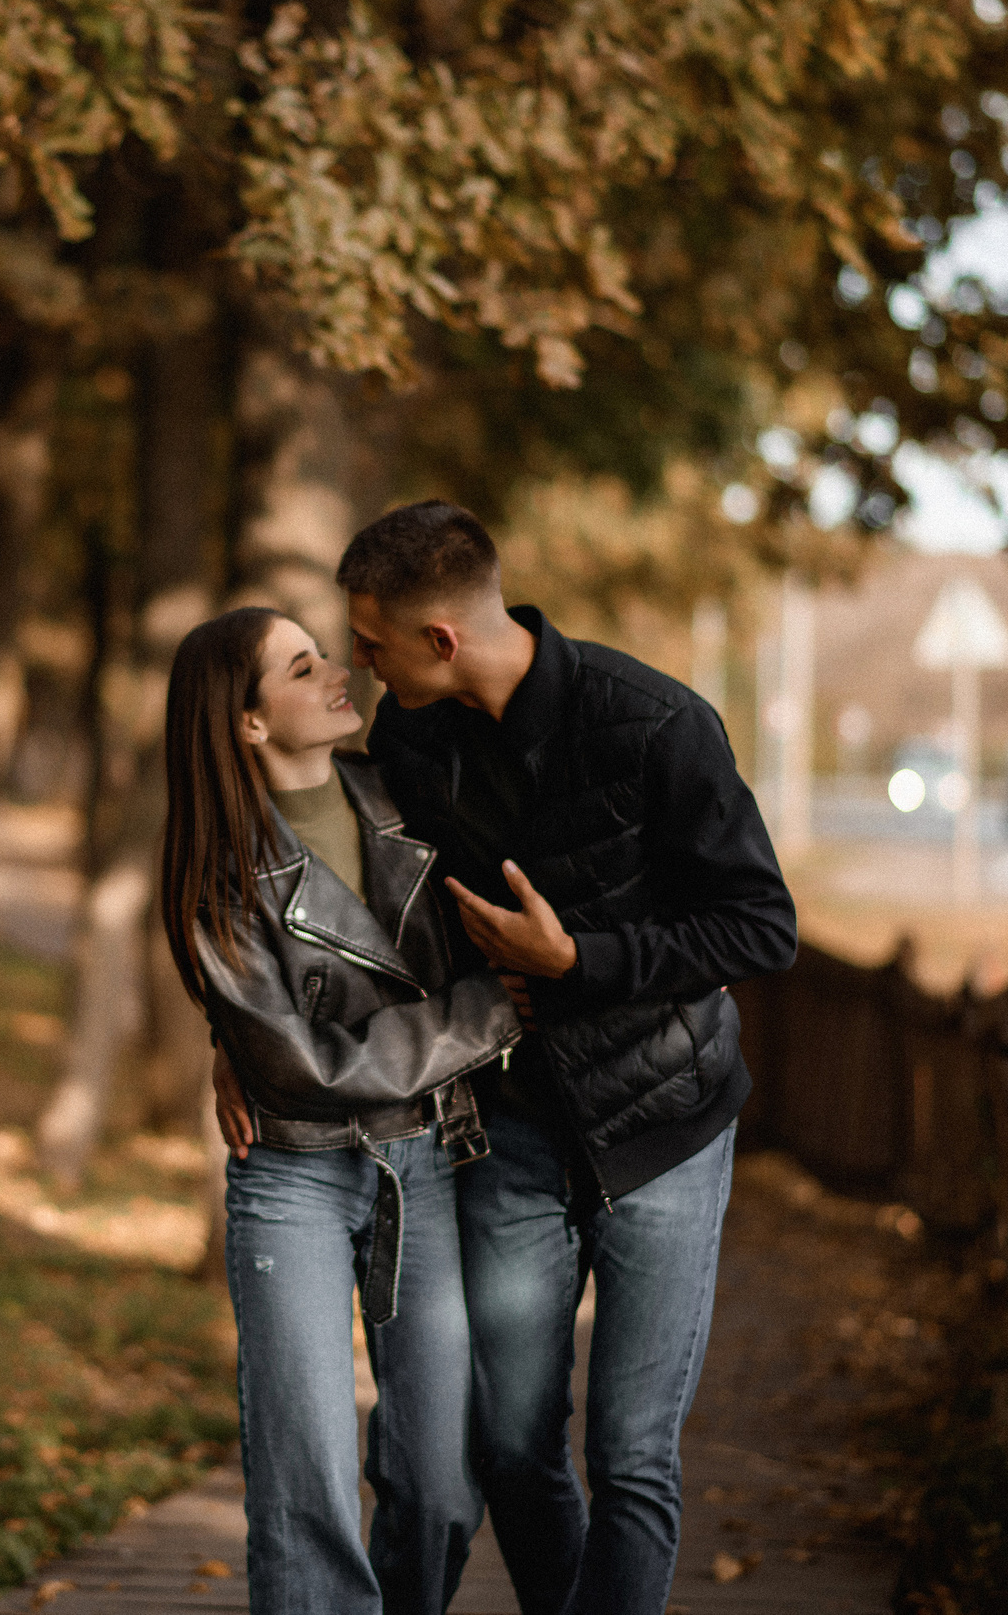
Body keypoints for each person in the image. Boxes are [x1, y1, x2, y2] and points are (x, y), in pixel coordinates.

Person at [336, 500, 798, 1614]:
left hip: (666, 1128)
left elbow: (760, 928)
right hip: (513, 1129)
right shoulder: (411, 740)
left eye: (371, 642)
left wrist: (576, 958)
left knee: (632, 1455)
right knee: (510, 1445)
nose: (357, 664)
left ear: (438, 639)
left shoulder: (655, 723)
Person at [160, 605, 523, 1615]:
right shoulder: (216, 874)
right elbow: (306, 1068)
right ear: (246, 724)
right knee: (305, 1486)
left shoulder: (402, 793)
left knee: (443, 1484)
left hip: (427, 1161)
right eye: (302, 667)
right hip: (294, 1177)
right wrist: (489, 1014)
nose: (336, 676)